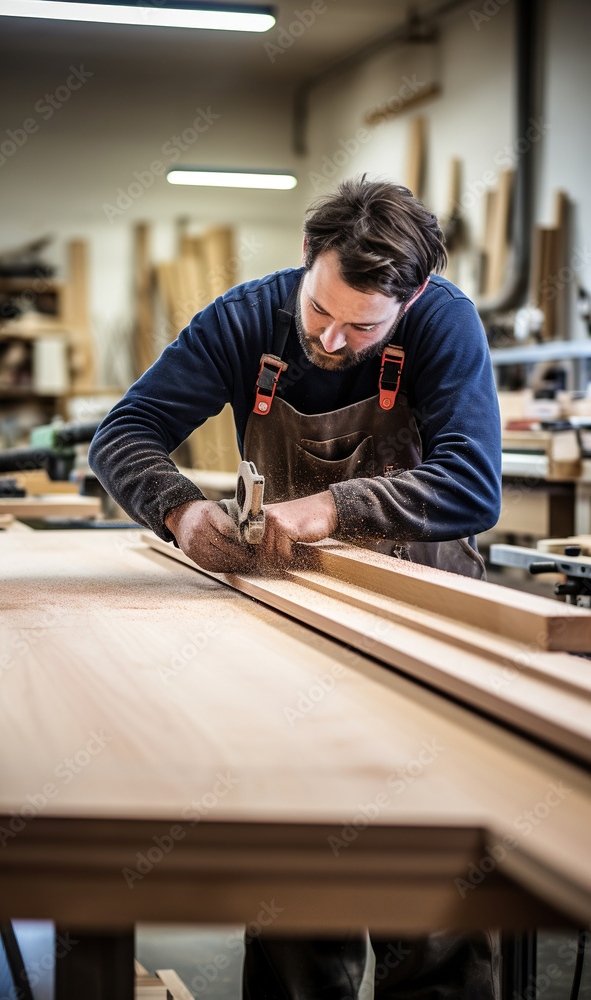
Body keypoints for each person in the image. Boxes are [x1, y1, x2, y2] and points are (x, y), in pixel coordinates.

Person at [89, 177, 502, 999]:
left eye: (363, 326)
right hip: (293, 635)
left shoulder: (444, 322)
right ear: (307, 260)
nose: (333, 340)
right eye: (319, 312)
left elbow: (471, 483)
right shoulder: (246, 319)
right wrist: (177, 509)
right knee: (296, 898)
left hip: (429, 636)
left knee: (430, 903)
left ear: (412, 297)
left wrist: (332, 505)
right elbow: (123, 434)